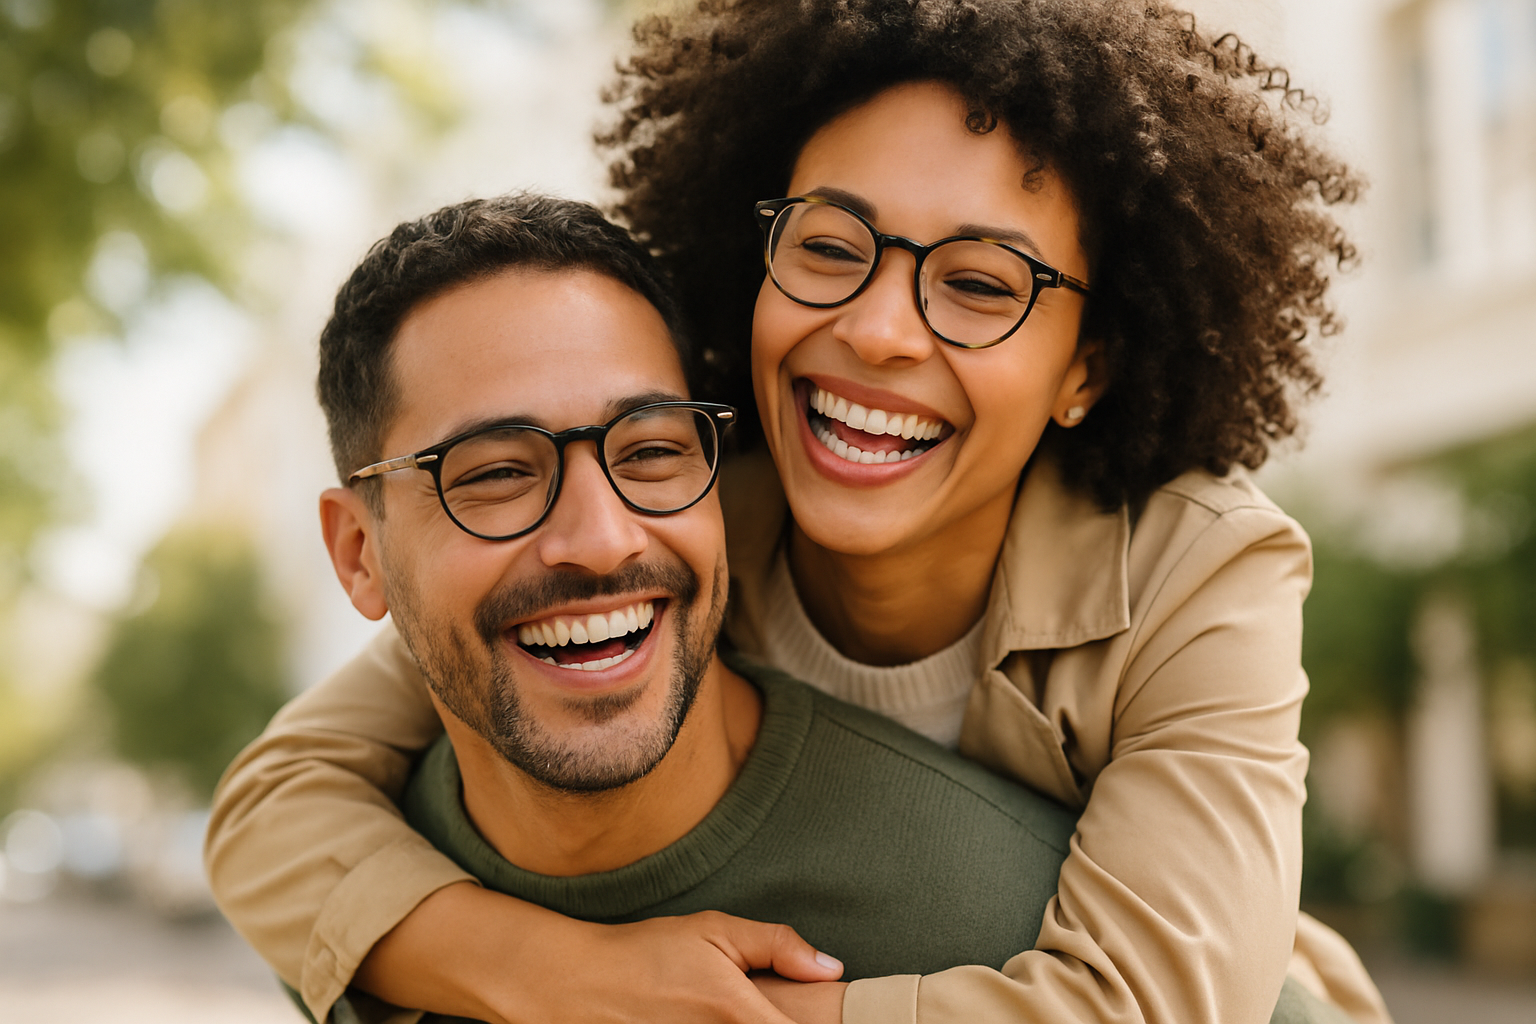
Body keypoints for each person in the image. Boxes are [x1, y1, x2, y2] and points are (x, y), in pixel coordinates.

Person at [206, 3, 1392, 1024]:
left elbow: (1149, 1004)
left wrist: (713, 1010)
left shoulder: (1201, 567)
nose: (878, 330)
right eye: (830, 247)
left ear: (1086, 366)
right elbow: (277, 800)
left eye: (980, 284)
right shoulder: (667, 502)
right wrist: (562, 974)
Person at [291, 191, 1101, 1024]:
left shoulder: (1018, 922)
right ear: (359, 555)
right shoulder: (349, 910)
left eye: (649, 451)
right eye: (495, 472)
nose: (603, 541)